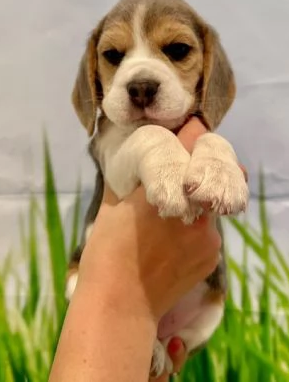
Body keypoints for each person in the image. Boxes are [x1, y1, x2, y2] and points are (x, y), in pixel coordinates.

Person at [48, 116, 245, 382]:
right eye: (114, 69)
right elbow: (117, 165)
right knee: (76, 282)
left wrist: (217, 155)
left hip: (189, 315)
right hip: (102, 293)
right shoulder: (109, 134)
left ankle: (165, 344)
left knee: (210, 312)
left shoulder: (199, 122)